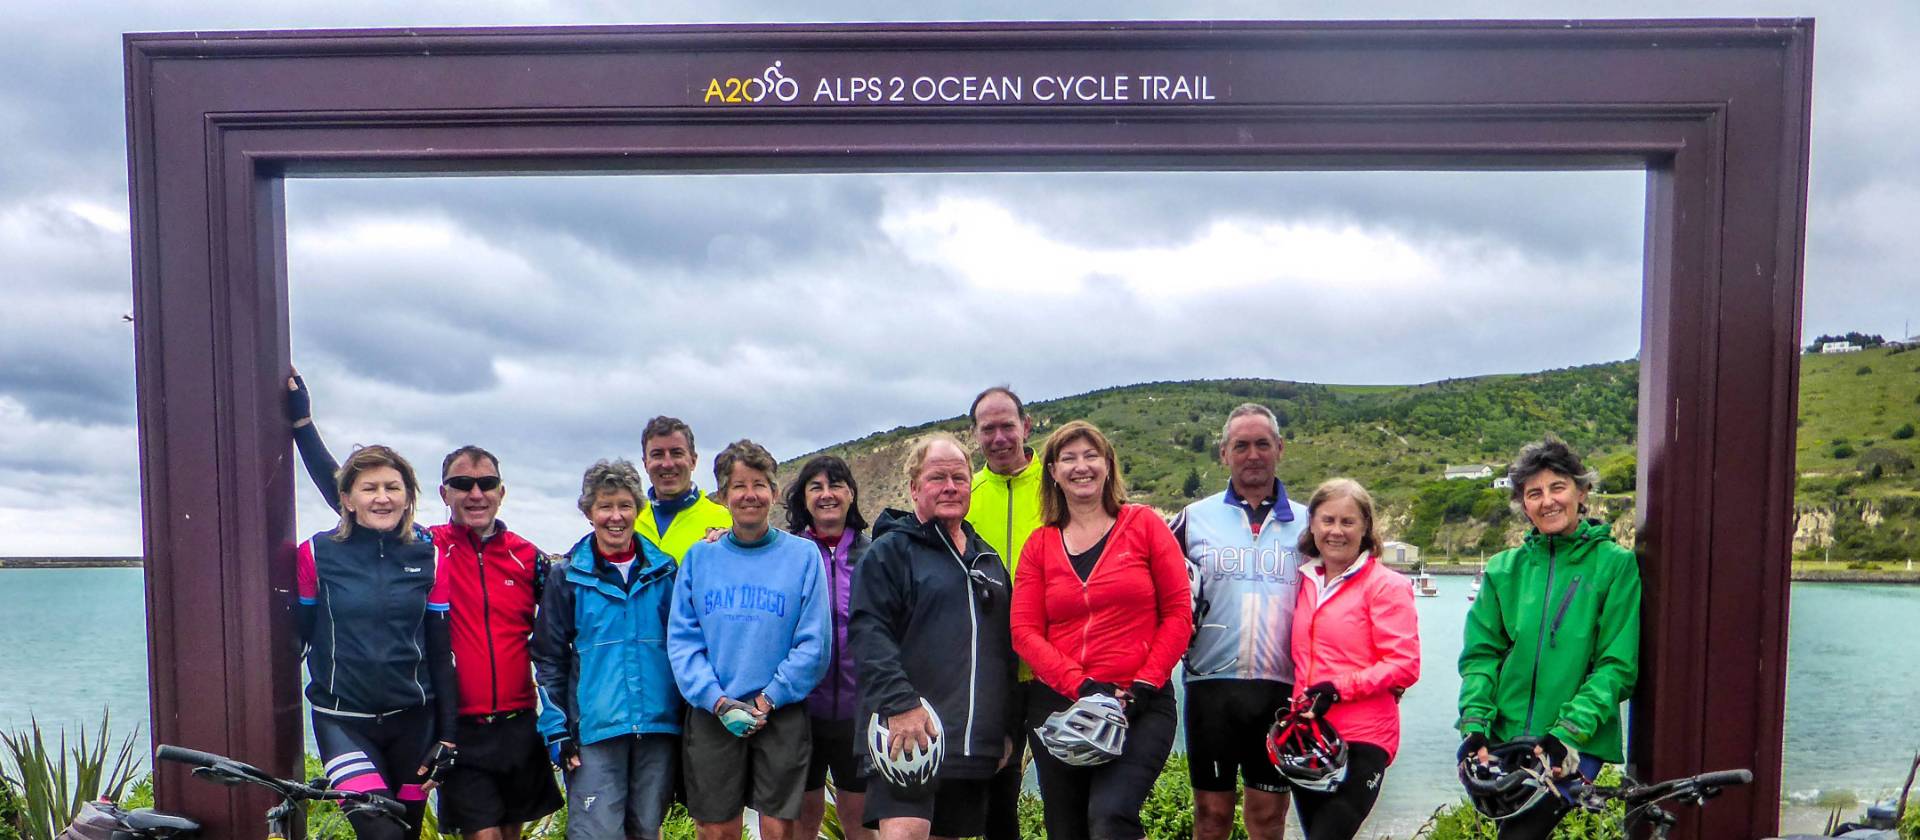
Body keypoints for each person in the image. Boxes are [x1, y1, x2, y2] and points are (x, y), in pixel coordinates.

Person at [288, 375, 562, 838]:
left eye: (487, 483)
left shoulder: (507, 556)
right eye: (462, 483)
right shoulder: (425, 546)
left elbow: (557, 628)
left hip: (476, 723)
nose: (476, 493)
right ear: (443, 493)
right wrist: (303, 425)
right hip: (395, 719)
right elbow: (350, 490)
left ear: (501, 489)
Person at [1010, 421, 1193, 840]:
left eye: (1091, 456)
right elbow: (1024, 631)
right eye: (1068, 458)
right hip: (1061, 708)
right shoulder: (1039, 545)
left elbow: (1179, 614)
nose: (1081, 467)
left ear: (1108, 465)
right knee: (1066, 829)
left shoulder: (1145, 525)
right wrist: (1082, 686)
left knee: (1112, 817)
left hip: (1139, 704)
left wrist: (1146, 682)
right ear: (1052, 471)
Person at [1456, 438, 1642, 840]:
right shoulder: (1505, 569)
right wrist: (1474, 726)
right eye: (1534, 493)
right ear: (1524, 505)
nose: (1547, 501)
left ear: (1582, 491)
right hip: (1505, 740)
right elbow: (1481, 657)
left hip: (1573, 740)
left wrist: (1566, 734)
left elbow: (1617, 667)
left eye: (1558, 487)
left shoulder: (1614, 565)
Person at [848, 434, 1018, 840]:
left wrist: (1007, 729)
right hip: (905, 735)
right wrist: (901, 705)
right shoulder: (890, 551)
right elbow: (869, 633)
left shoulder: (988, 560)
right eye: (937, 477)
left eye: (959, 477)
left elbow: (1004, 653)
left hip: (969, 745)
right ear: (913, 488)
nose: (950, 487)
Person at [668, 440, 831, 840]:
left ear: (774, 493)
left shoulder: (803, 556)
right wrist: (718, 701)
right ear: (723, 496)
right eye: (738, 486)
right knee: (717, 829)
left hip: (780, 710)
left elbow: (814, 643)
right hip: (713, 710)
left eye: (759, 484)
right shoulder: (699, 558)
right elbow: (683, 640)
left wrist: (767, 699)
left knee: (779, 828)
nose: (749, 495)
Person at [293, 445, 457, 840]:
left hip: (416, 725)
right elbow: (300, 632)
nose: (382, 497)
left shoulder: (430, 556)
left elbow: (440, 651)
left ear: (407, 498)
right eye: (369, 489)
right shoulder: (317, 554)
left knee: (406, 834)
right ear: (346, 500)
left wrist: (448, 737)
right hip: (343, 722)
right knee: (382, 835)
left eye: (392, 487)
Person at [1169, 403, 1309, 840]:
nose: (1253, 454)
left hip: (1280, 692)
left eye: (1262, 444)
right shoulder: (1194, 518)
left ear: (1280, 449)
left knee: (1268, 818)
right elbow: (1151, 588)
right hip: (1211, 688)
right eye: (1241, 445)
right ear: (1223, 453)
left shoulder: (1309, 523)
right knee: (1211, 816)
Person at [532, 460, 683, 840]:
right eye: (605, 506)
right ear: (588, 512)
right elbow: (549, 658)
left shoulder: (666, 573)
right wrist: (557, 732)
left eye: (624, 506)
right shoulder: (565, 576)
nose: (615, 517)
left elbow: (683, 648)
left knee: (647, 832)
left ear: (638, 508)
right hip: (593, 734)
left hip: (658, 729)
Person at [1287, 479, 1420, 840]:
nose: (1336, 531)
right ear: (1312, 523)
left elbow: (1405, 664)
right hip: (1309, 738)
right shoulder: (1303, 582)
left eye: (1348, 522)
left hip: (1364, 739)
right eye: (1327, 520)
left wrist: (1337, 689)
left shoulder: (1386, 585)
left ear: (1365, 529)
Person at [960, 386, 1044, 840]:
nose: (998, 437)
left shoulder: (1057, 486)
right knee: (999, 798)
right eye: (987, 428)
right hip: (992, 671)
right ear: (974, 434)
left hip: (1055, 668)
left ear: (1026, 427)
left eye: (1006, 425)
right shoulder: (965, 494)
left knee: (1067, 792)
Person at [785, 456, 877, 840]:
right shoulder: (787, 555)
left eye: (836, 485)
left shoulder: (874, 554)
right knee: (804, 817)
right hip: (801, 710)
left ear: (851, 494)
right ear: (802, 499)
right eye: (816, 487)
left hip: (858, 709)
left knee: (858, 819)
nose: (827, 495)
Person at [636, 416, 733, 562]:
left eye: (676, 453)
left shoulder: (727, 521)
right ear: (645, 463)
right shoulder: (630, 522)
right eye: (657, 455)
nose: (667, 464)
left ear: (693, 461)